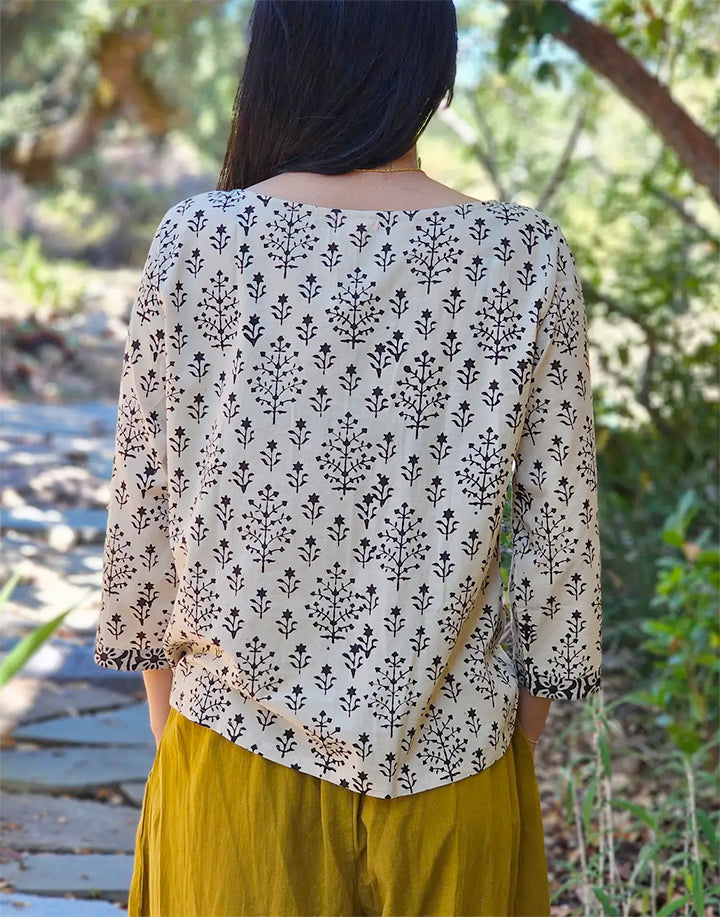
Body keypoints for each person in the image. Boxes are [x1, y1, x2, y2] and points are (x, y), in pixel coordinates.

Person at [93, 1, 602, 915]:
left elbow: (146, 516)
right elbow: (559, 546)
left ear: (278, 59)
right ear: (432, 65)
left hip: (233, 770)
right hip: (457, 776)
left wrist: (174, 732)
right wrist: (507, 740)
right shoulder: (525, 255)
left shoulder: (201, 241)